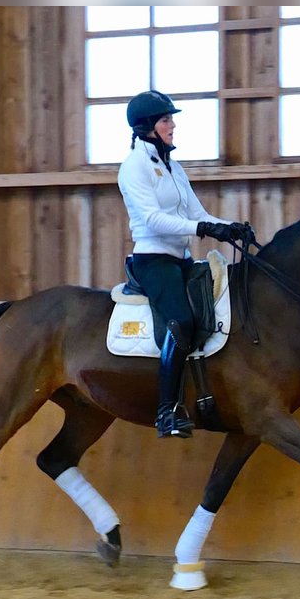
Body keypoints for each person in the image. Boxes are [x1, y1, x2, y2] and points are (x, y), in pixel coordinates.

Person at [117, 89, 253, 439]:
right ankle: (167, 411)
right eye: (166, 120)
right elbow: (153, 219)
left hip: (181, 259)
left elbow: (196, 213)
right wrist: (203, 228)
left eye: (170, 120)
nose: (172, 125)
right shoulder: (133, 167)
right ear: (148, 126)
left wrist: (228, 227)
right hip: (153, 260)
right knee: (182, 321)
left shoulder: (172, 167)